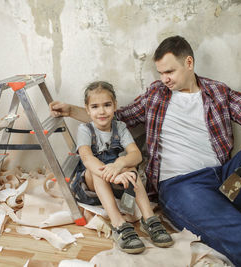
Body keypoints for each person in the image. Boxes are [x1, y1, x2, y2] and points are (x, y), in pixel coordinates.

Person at [50, 36, 241, 266]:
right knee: (240, 234)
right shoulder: (156, 94)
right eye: (160, 73)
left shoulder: (217, 91)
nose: (164, 79)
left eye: (169, 71)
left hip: (226, 180)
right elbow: (114, 117)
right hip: (183, 186)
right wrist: (71, 110)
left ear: (189, 63)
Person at [71, 81, 173, 254]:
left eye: (107, 105)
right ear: (87, 110)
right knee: (96, 172)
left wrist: (119, 165)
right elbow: (87, 158)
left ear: (115, 106)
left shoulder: (120, 127)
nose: (102, 111)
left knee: (131, 170)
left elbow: (136, 155)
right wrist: (111, 174)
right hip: (89, 187)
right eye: (95, 107)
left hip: (115, 182)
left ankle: (150, 220)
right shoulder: (85, 129)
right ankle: (119, 224)